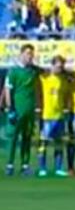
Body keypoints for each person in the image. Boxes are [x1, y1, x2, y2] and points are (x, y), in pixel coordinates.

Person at [3, 45, 41, 176]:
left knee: (27, 138)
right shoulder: (13, 71)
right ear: (21, 54)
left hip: (29, 111)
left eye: (32, 54)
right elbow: (8, 90)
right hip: (17, 110)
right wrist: (10, 108)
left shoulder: (33, 71)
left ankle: (25, 165)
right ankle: (9, 165)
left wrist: (37, 108)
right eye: (28, 53)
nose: (30, 56)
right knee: (13, 138)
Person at [37, 56, 70, 178]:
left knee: (59, 143)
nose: (59, 68)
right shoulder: (45, 77)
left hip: (60, 116)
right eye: (57, 65)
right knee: (43, 143)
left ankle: (58, 168)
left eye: (61, 66)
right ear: (52, 65)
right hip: (47, 116)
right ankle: (42, 168)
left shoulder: (64, 80)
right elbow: (37, 69)